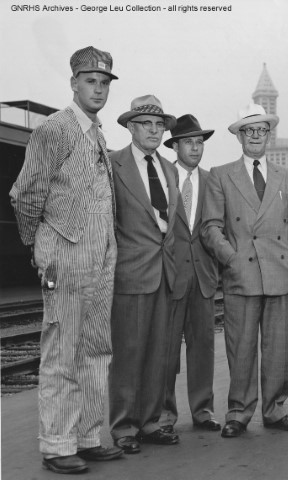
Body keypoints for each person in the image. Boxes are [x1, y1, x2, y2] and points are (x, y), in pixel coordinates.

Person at [9, 46, 123, 474]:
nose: (98, 89)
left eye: (104, 82)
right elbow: (26, 194)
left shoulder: (95, 132)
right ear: (73, 82)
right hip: (67, 253)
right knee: (62, 351)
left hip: (101, 255)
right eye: (90, 81)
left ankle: (88, 436)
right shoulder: (54, 129)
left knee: (96, 348)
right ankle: (58, 445)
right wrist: (40, 245)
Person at [201, 103, 288, 438]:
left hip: (278, 271)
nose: (256, 136)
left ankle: (275, 410)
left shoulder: (286, 176)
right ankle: (239, 413)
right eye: (249, 130)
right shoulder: (221, 174)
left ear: (268, 134)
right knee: (241, 347)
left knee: (277, 349)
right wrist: (231, 258)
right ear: (240, 136)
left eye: (261, 130)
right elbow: (211, 227)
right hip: (241, 274)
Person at [108, 95, 180, 453]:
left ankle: (151, 422)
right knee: (128, 353)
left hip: (164, 274)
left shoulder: (169, 168)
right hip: (130, 274)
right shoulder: (113, 165)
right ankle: (123, 427)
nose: (154, 130)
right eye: (146, 124)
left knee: (158, 354)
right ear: (131, 128)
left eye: (159, 124)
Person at [159, 114, 220, 434]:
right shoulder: (162, 176)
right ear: (175, 145)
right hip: (169, 276)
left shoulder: (213, 181)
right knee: (166, 349)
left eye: (200, 143)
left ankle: (203, 410)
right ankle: (165, 414)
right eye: (189, 142)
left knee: (202, 347)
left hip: (204, 276)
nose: (195, 149)